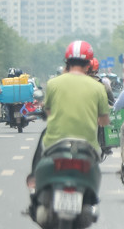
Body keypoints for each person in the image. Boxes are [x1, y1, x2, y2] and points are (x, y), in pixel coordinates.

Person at [33, 40, 110, 168]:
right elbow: (104, 121)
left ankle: (34, 179)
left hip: (54, 144)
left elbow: (48, 112)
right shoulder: (98, 87)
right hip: (88, 146)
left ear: (67, 62)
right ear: (89, 64)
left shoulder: (53, 84)